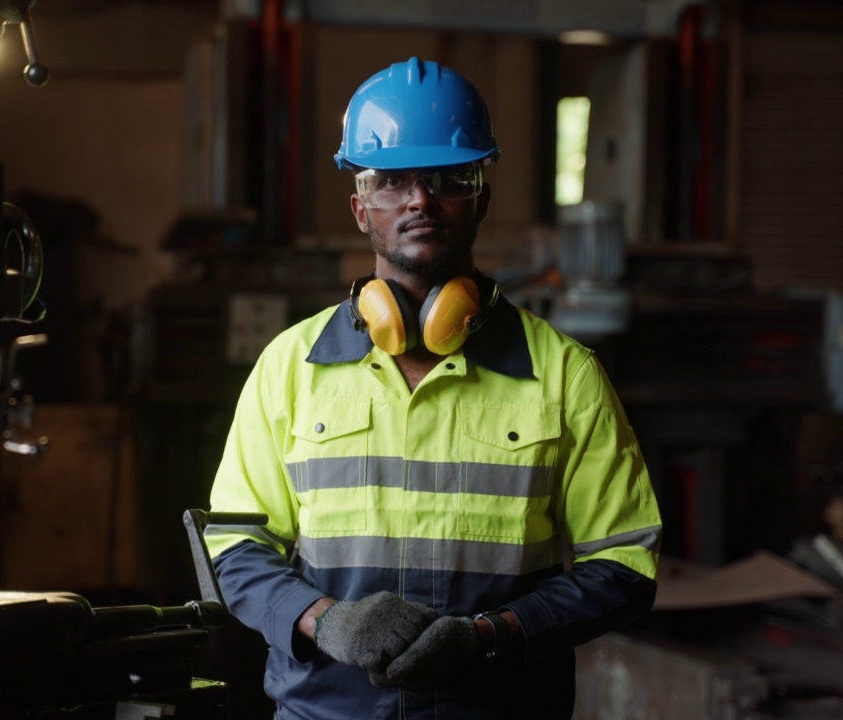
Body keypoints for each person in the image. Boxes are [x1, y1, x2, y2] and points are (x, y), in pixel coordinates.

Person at [205, 57, 661, 720]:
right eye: (391, 181)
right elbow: (232, 546)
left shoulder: (562, 373)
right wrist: (323, 620)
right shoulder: (290, 367)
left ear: (481, 197)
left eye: (448, 178)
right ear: (360, 209)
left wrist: (491, 636)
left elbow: (626, 567)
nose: (419, 199)